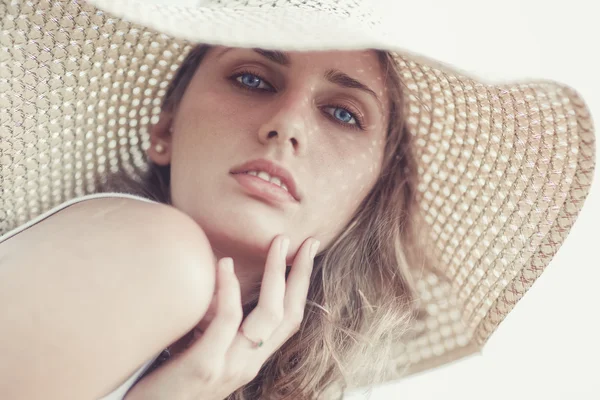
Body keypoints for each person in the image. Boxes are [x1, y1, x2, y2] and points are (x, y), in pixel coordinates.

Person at [0, 1, 595, 399]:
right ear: (165, 129)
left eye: (342, 113)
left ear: (369, 201)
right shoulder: (151, 251)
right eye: (253, 78)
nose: (286, 125)